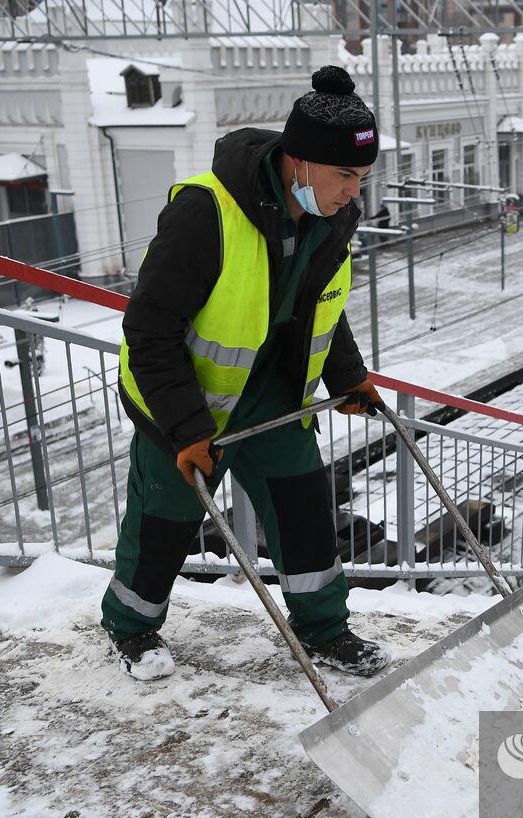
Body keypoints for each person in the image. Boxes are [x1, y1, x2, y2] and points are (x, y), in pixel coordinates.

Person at [103, 66, 388, 682]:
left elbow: (319, 307)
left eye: (361, 178)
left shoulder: (332, 218)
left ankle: (325, 631)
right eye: (345, 175)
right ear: (298, 162)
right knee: (164, 525)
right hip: (182, 400)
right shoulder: (205, 213)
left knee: (305, 512)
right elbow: (149, 331)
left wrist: (349, 377)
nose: (353, 192)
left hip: (273, 397)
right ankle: (130, 628)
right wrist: (185, 428)